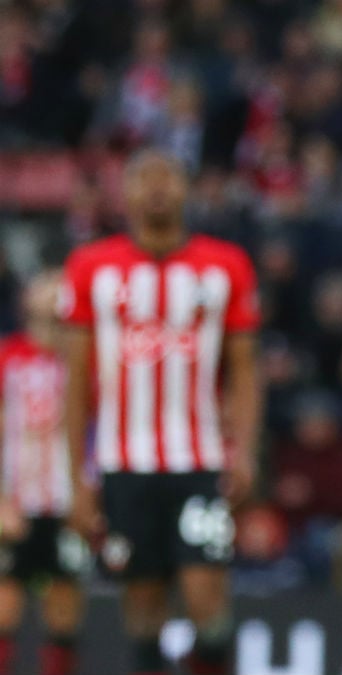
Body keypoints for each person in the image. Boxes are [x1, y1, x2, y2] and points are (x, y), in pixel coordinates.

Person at [61, 149, 262, 675]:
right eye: (143, 179)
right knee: (143, 606)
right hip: (122, 465)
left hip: (198, 462)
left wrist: (245, 452)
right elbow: (76, 380)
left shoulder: (225, 266)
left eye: (167, 178)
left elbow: (244, 371)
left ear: (185, 189)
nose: (155, 189)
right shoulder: (90, 268)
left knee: (206, 596)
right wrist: (75, 479)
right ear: (124, 194)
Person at [0, 271, 86, 675]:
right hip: (17, 499)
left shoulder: (84, 360)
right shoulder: (7, 356)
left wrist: (90, 497)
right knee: (5, 607)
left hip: (68, 502)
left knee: (64, 608)